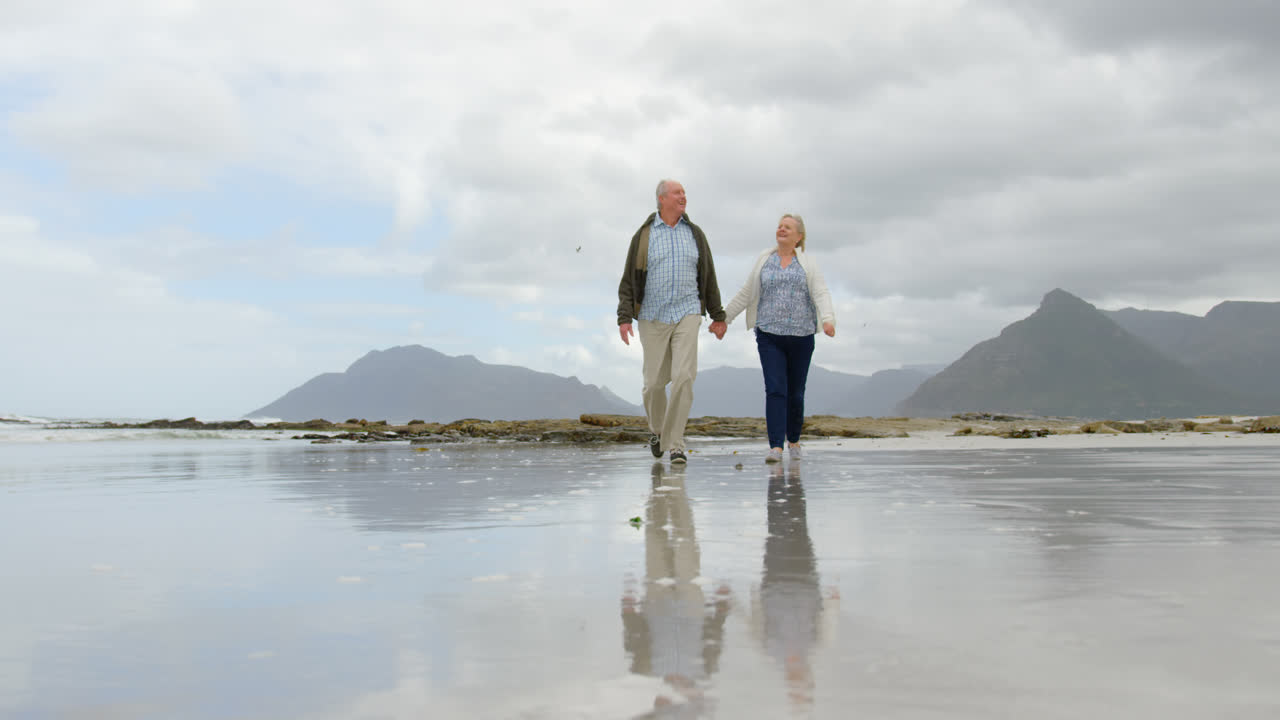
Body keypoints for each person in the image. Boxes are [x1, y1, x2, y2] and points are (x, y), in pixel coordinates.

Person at [617, 179, 727, 464]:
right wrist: (624, 317)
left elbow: (708, 276)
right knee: (654, 383)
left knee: (683, 377)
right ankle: (657, 431)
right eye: (678, 193)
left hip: (688, 312)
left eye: (685, 193)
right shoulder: (643, 236)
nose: (684, 197)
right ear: (662, 199)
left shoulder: (695, 234)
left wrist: (718, 316)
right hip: (652, 316)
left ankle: (676, 443)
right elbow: (629, 279)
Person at [721, 214, 835, 463]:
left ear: (799, 236)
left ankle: (793, 440)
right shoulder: (765, 259)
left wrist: (828, 319)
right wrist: (724, 318)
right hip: (769, 334)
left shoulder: (808, 264)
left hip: (801, 335)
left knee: (796, 392)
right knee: (775, 389)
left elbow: (821, 292)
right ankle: (775, 447)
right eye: (780, 226)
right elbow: (746, 292)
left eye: (788, 227)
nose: (781, 229)